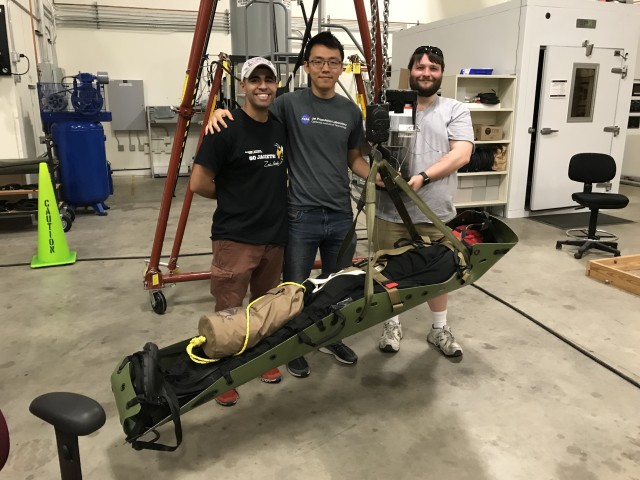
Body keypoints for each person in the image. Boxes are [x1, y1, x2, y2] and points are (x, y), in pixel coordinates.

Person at [206, 32, 372, 378]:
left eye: (333, 62)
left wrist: (377, 176)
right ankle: (293, 343)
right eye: (318, 61)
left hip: (341, 216)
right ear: (308, 67)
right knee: (292, 290)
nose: (326, 68)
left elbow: (354, 158)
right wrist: (220, 114)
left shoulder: (351, 111)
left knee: (336, 285)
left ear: (342, 67)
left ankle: (329, 336)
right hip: (300, 215)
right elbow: (253, 113)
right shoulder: (289, 104)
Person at [191, 57, 288, 407]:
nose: (263, 85)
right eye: (255, 80)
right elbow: (199, 183)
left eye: (269, 79)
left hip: (274, 236)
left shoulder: (279, 127)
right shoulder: (226, 128)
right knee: (229, 310)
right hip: (235, 238)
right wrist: (233, 196)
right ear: (243, 86)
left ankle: (258, 363)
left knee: (264, 306)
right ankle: (223, 374)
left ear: (277, 85)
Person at [375, 45, 474, 356]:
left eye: (433, 67)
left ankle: (439, 328)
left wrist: (423, 178)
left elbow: (462, 153)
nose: (426, 73)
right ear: (411, 71)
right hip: (392, 210)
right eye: (420, 67)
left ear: (441, 72)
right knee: (389, 270)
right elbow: (381, 152)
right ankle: (392, 323)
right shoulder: (397, 107)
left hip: (435, 211)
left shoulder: (454, 109)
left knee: (440, 272)